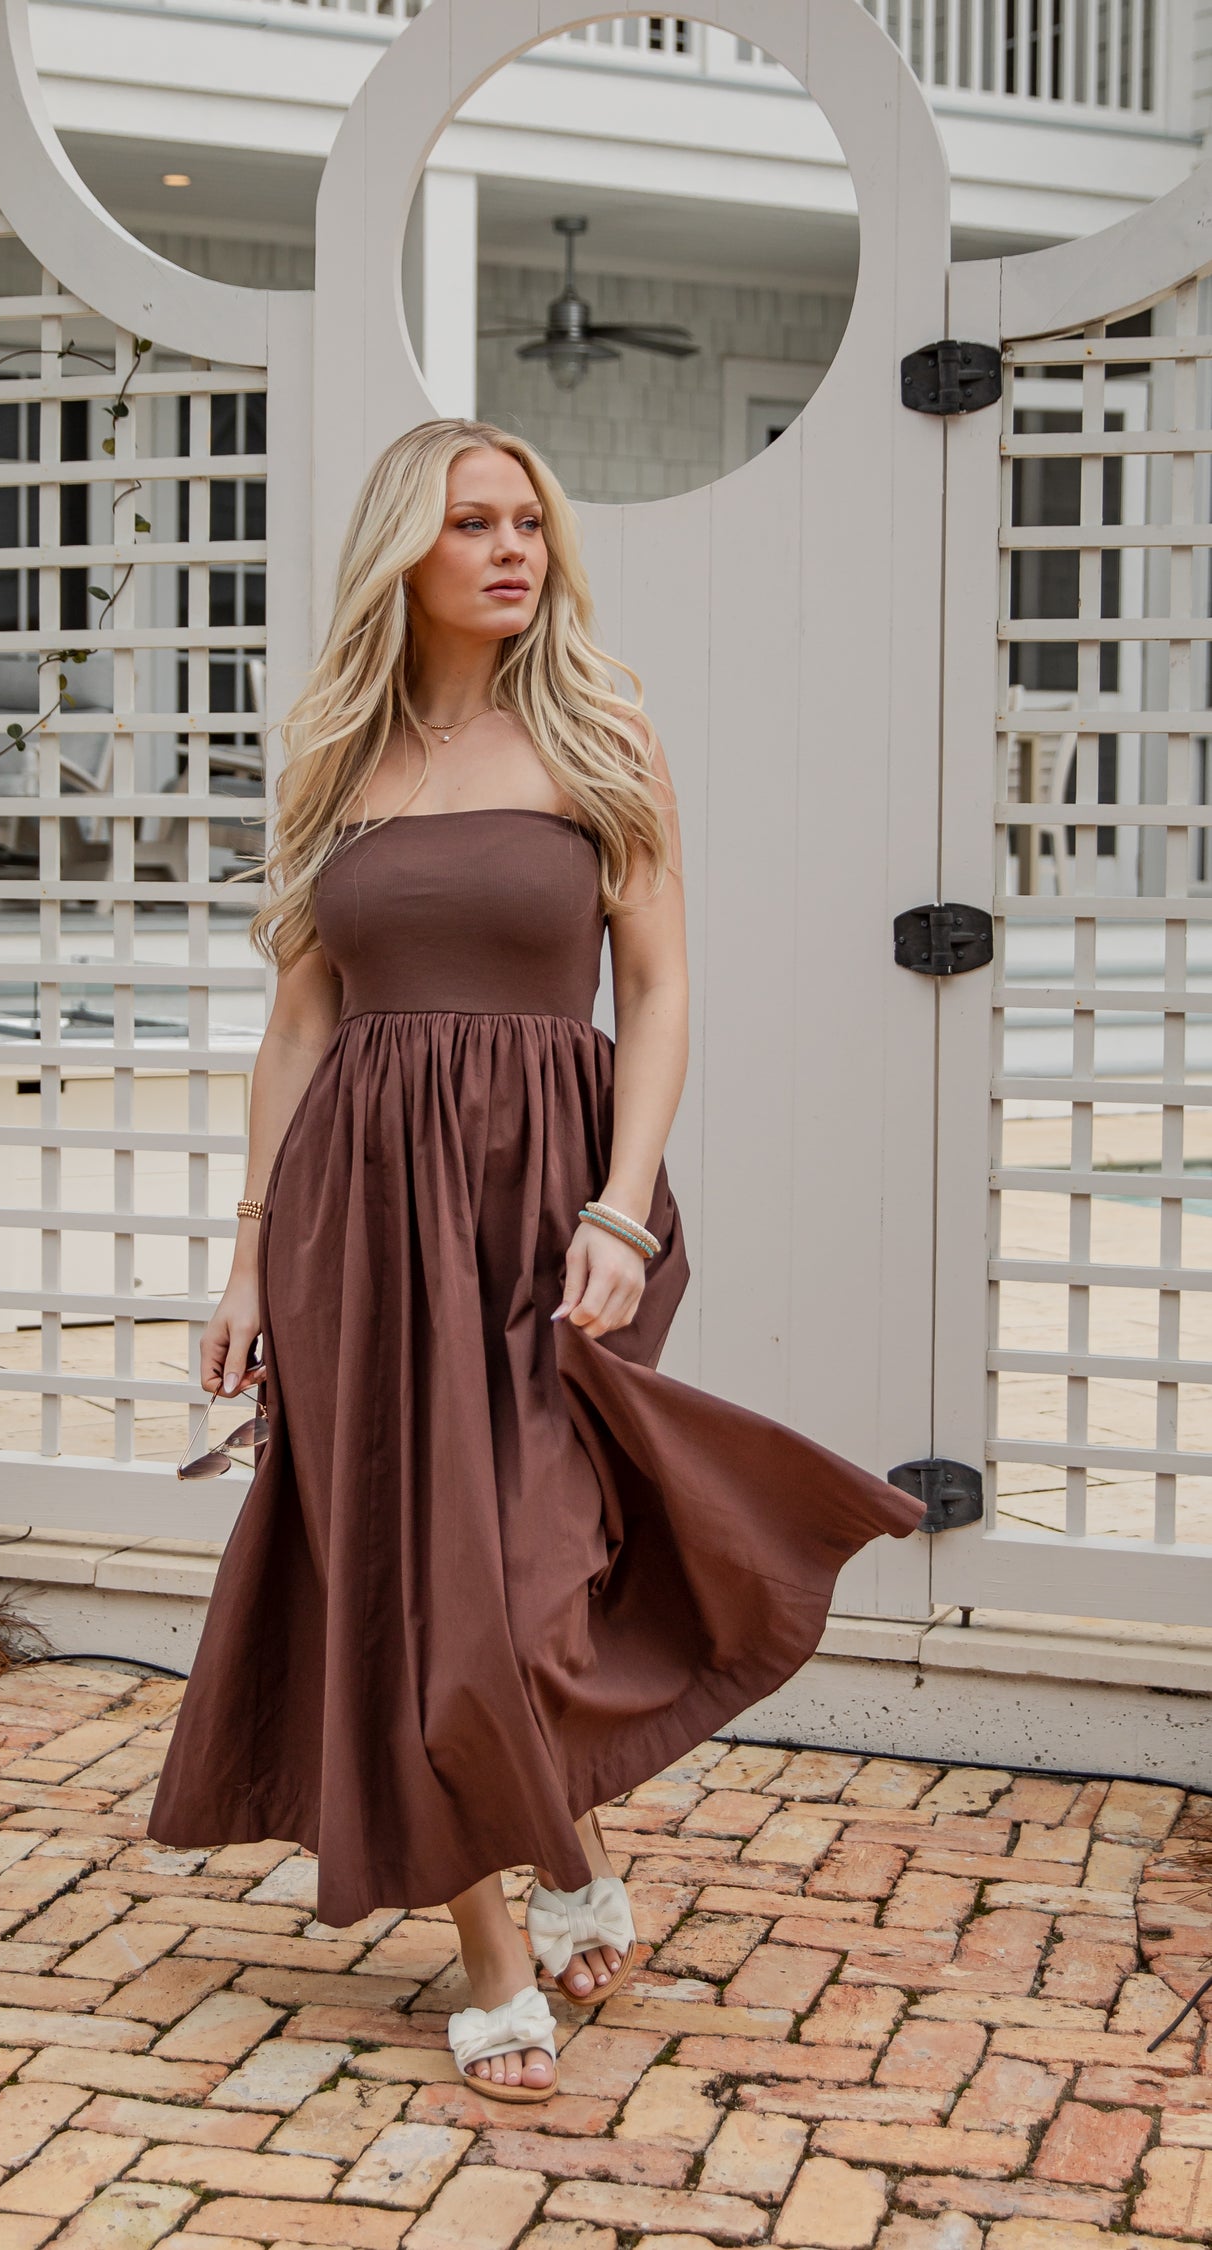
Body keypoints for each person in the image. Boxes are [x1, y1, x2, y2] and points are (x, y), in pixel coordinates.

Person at [148, 417, 925, 2102]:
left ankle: (560, 1852)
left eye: (528, 522)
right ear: (400, 554)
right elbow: (298, 1024)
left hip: (539, 1210)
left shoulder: (598, 733)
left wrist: (623, 1204)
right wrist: (247, 1256)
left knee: (510, 1572)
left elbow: (656, 988)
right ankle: (497, 1952)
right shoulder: (337, 755)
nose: (513, 549)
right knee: (402, 1579)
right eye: (471, 524)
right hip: (359, 1211)